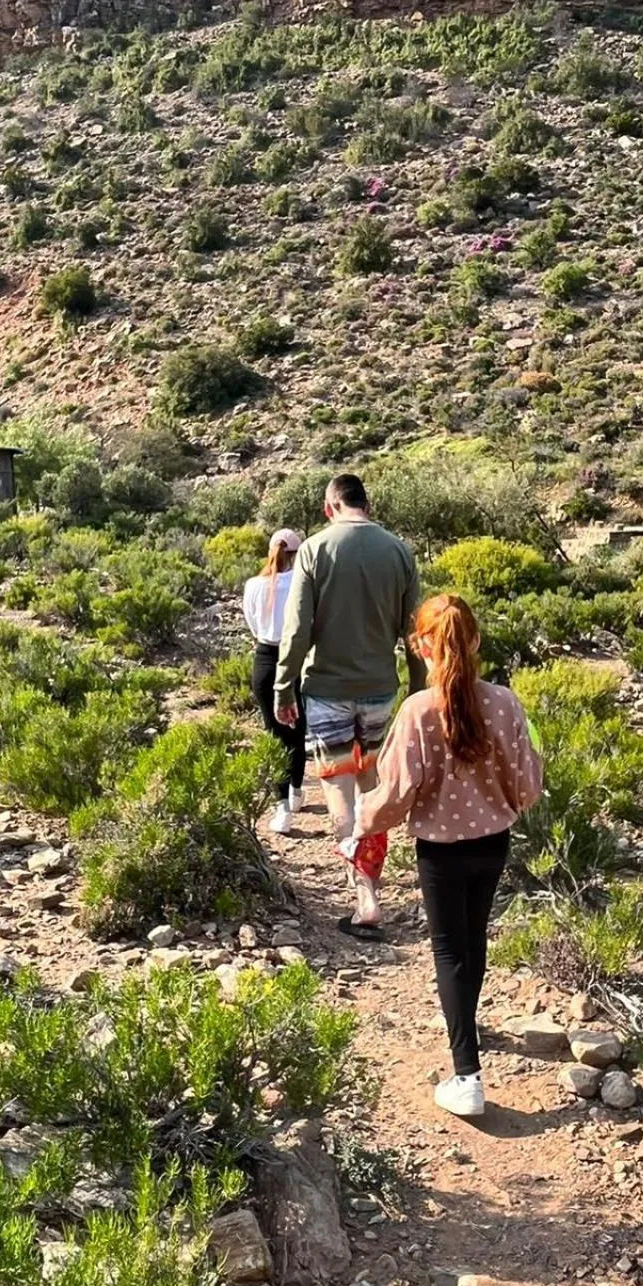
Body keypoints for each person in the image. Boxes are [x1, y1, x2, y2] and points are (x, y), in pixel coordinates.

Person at [352, 594, 543, 1118]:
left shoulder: (417, 711)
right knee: (472, 940)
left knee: (447, 951)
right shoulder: (504, 702)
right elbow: (527, 781)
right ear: (475, 641)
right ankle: (467, 1025)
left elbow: (395, 793)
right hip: (493, 842)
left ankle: (467, 1075)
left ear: (420, 645)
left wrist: (360, 825)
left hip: (439, 850)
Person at [275, 473, 425, 934]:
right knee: (371, 788)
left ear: (328, 508)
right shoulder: (399, 551)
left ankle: (365, 897)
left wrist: (284, 686)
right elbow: (414, 632)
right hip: (381, 689)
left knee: (339, 790)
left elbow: (297, 628)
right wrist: (419, 691)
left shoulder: (315, 551)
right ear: (368, 504)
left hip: (326, 691)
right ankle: (373, 882)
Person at [243, 528, 307, 835]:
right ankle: (295, 790)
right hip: (297, 657)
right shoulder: (301, 582)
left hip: (265, 658)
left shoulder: (254, 585)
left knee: (274, 732)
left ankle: (282, 807)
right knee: (299, 726)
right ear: (296, 554)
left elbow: (253, 624)